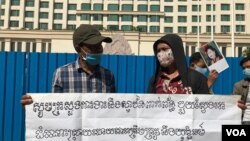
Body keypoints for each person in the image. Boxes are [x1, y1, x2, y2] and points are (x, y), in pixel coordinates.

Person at [21, 24, 116, 106]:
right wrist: (32, 107)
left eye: (99, 46)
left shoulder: (108, 75)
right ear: (78, 48)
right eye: (92, 47)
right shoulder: (62, 74)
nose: (97, 50)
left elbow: (113, 109)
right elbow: (54, 107)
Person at [233, 56, 250, 124]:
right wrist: (238, 104)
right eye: (244, 68)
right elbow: (233, 104)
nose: (246, 69)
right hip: (247, 120)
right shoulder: (239, 85)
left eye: (248, 67)